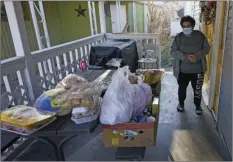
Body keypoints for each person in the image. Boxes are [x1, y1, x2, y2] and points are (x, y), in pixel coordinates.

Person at [170, 15, 210, 115]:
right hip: (182, 71)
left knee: (197, 89)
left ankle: (197, 106)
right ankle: (181, 104)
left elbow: (206, 48)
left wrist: (197, 56)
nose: (186, 28)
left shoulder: (200, 36)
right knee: (182, 89)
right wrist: (186, 57)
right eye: (184, 26)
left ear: (192, 26)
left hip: (198, 70)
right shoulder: (178, 37)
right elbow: (173, 51)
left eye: (188, 26)